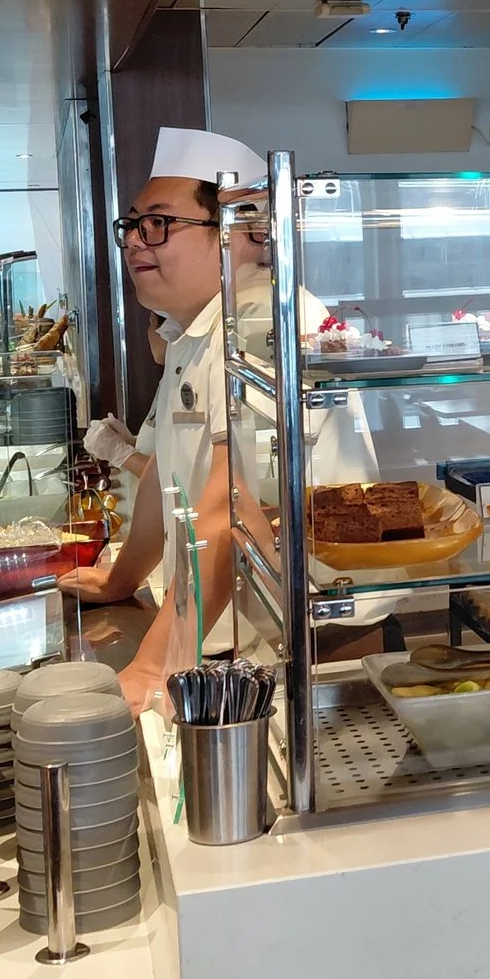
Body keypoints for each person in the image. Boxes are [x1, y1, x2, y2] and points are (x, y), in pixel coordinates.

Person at [62, 129, 376, 709]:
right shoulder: (196, 330)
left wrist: (155, 662)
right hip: (229, 628)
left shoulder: (264, 323)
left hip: (310, 641)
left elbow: (227, 507)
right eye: (131, 226)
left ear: (246, 235)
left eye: (158, 224)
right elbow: (167, 477)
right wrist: (121, 580)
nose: (134, 243)